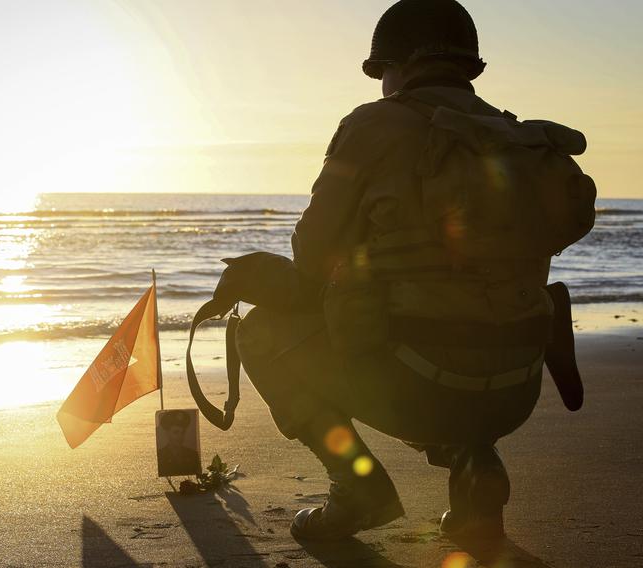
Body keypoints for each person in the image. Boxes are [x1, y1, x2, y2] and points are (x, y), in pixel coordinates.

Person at [236, 0, 591, 541]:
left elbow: (310, 252)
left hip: (419, 384)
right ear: (469, 68)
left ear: (395, 67)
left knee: (260, 332)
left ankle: (357, 488)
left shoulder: (371, 125)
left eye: (383, 74)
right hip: (516, 390)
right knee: (460, 319)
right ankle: (475, 470)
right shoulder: (519, 139)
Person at [157, 410, 201, 477]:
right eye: (176, 432)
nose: (180, 436)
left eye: (183, 432)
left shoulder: (192, 454)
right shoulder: (161, 455)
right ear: (167, 433)